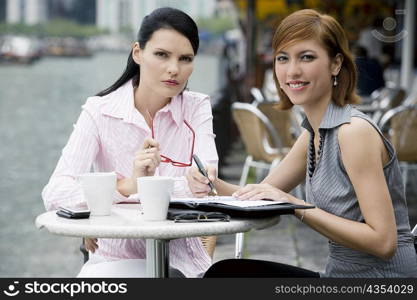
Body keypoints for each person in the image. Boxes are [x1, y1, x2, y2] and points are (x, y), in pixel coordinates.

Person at [187, 9, 417, 277]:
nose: (292, 71)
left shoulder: (353, 133)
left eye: (306, 57)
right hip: (337, 276)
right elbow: (258, 194)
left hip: (384, 281)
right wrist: (211, 184)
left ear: (335, 64)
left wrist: (297, 207)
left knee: (226, 276)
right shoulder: (313, 133)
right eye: (283, 58)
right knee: (227, 272)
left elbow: (384, 242)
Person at [42, 7, 218, 278]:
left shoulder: (196, 108)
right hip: (112, 264)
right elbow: (55, 194)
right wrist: (127, 185)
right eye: (161, 55)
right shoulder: (99, 111)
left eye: (185, 59)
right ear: (138, 53)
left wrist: (104, 203)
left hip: (182, 265)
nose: (174, 69)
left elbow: (205, 185)